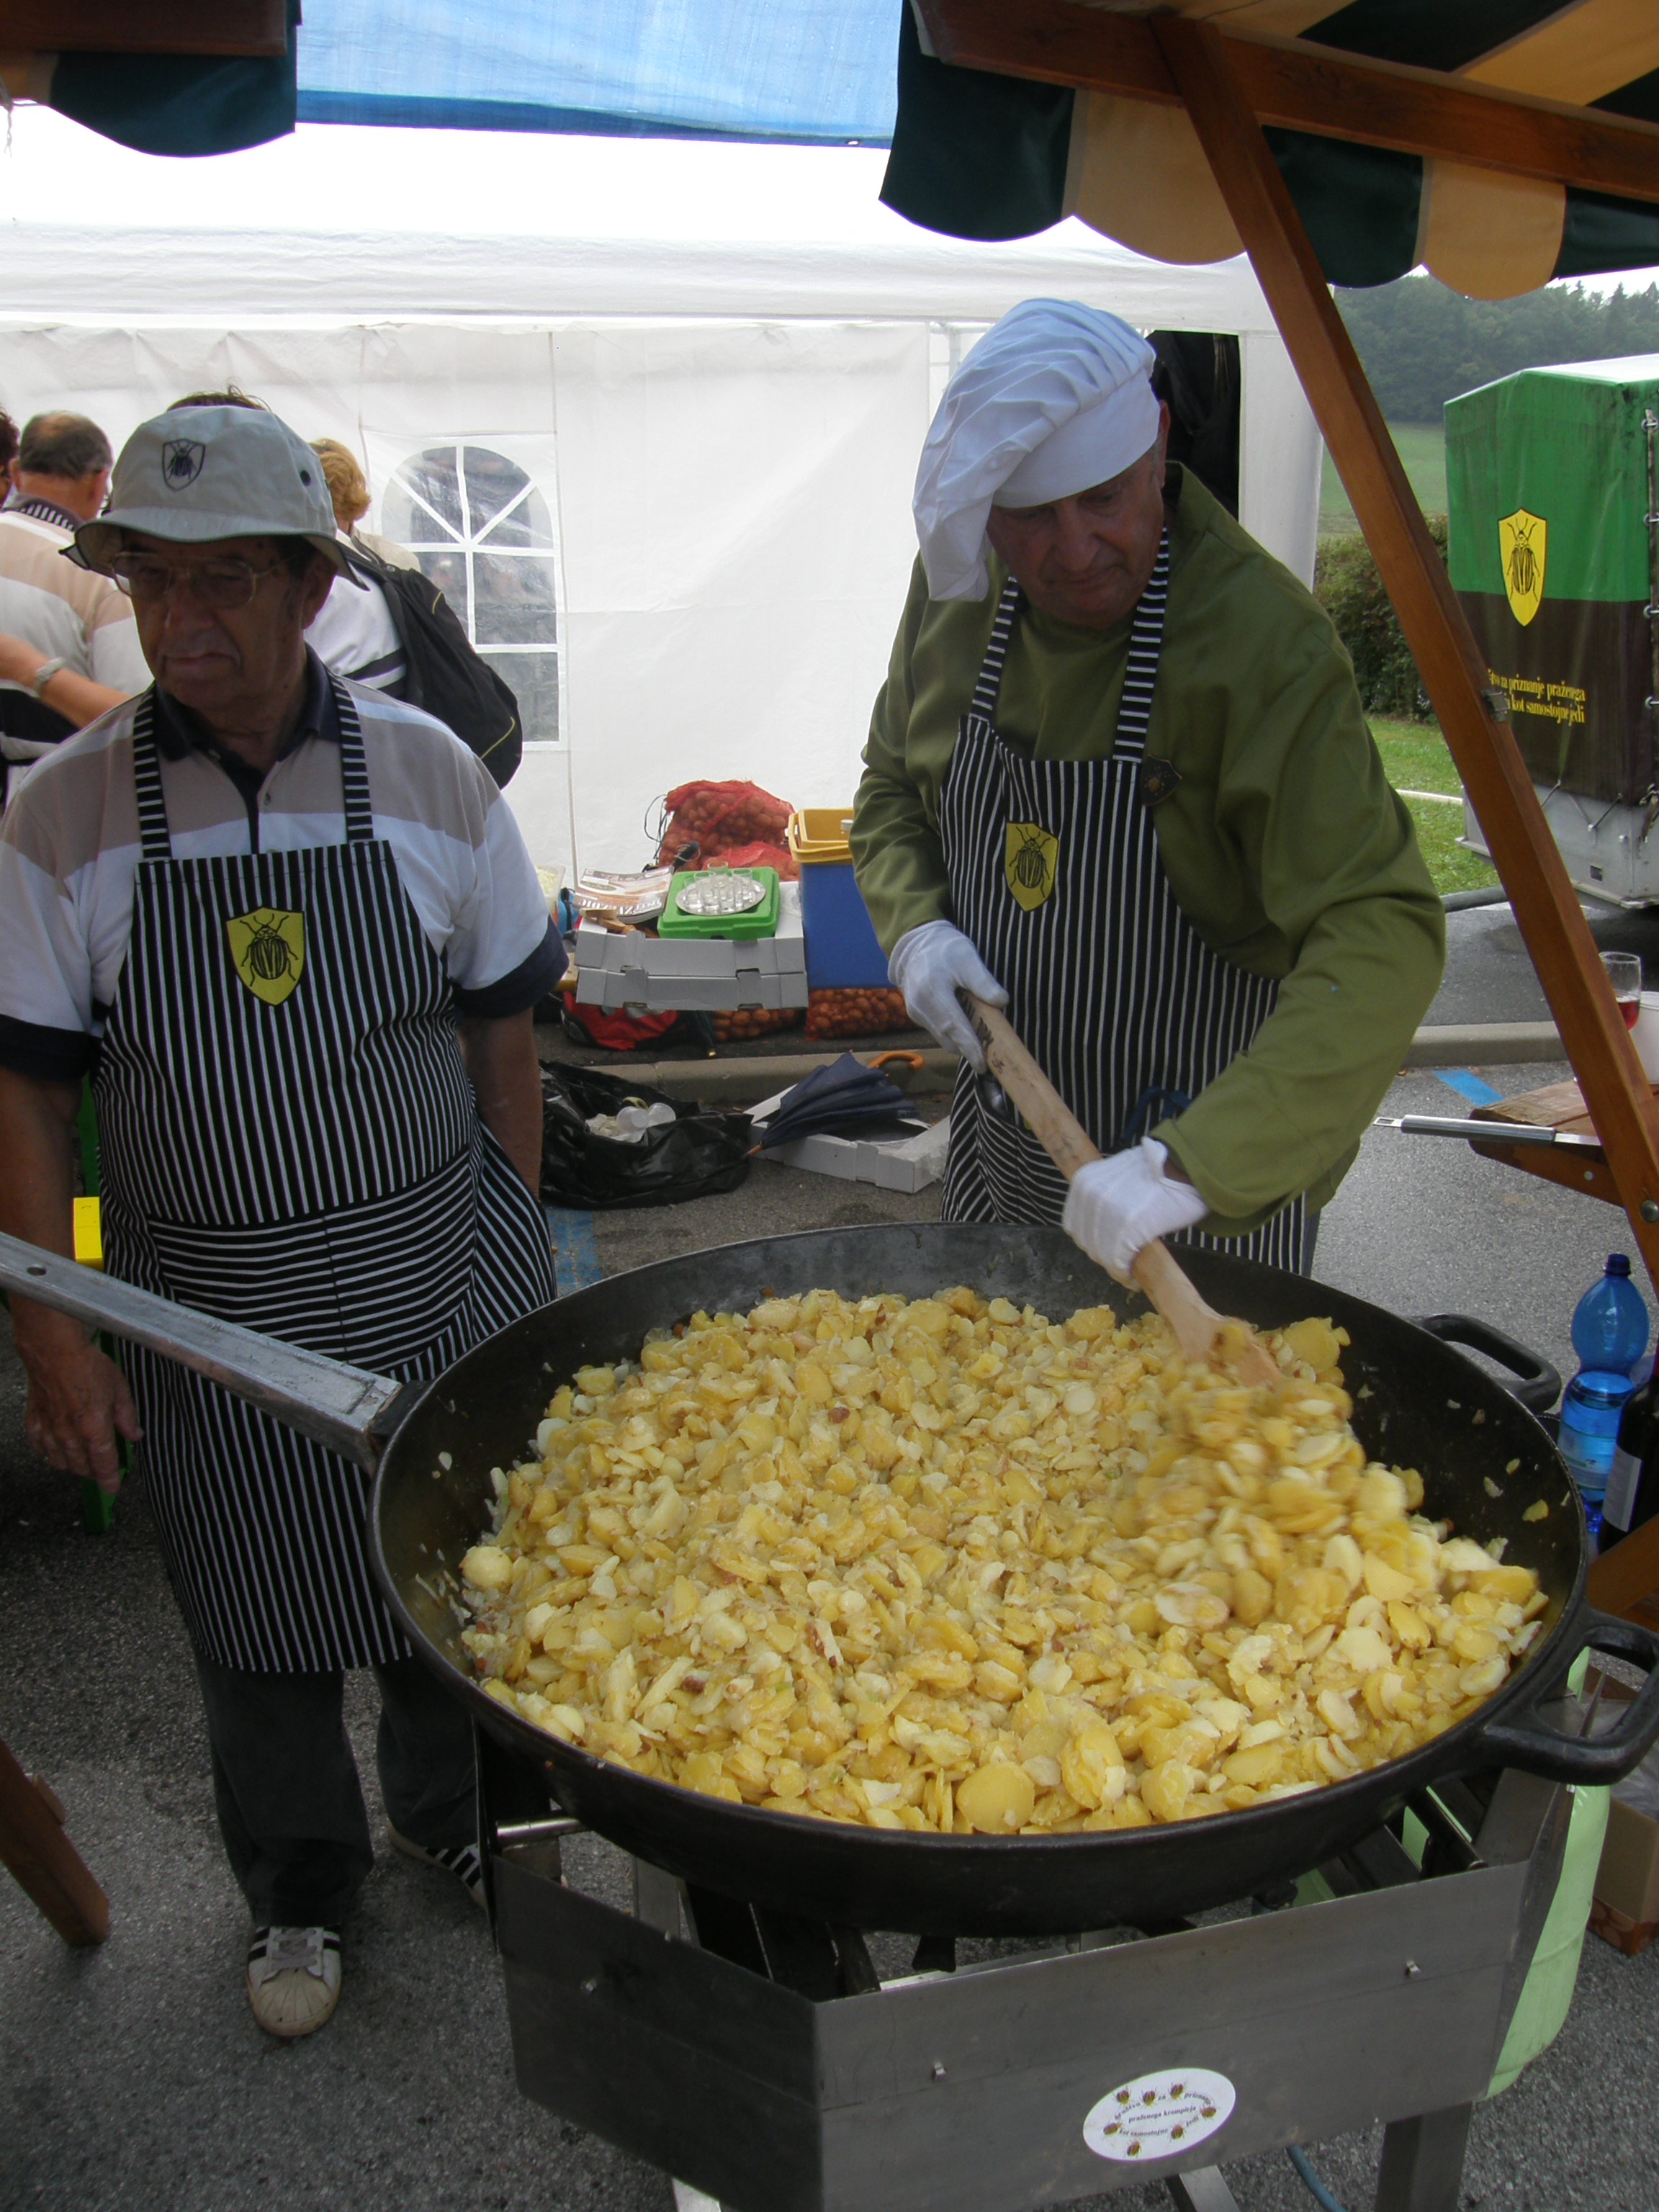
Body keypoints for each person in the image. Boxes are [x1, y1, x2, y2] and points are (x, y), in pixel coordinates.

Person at [0, 403, 564, 2039]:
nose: (183, 620)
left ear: (312, 585)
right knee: (253, 1618)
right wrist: (57, 1328)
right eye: (150, 580)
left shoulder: (433, 776)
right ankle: (301, 1884)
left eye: (225, 580)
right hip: (206, 1304)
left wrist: (513, 1243)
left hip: (427, 1269)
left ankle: (458, 1819)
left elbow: (503, 1036)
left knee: (455, 1590)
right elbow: (26, 1094)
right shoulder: (65, 813)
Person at [852, 300, 1444, 1281]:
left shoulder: (1263, 647)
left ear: (1158, 444)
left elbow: (1382, 929)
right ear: (985, 507)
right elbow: (888, 791)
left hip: (1196, 1201)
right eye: (1033, 517)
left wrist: (1200, 1162)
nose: (1075, 548)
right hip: (1002, 1159)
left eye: (1106, 500)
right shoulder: (959, 592)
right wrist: (914, 924)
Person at [0, 411, 149, 802]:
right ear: (101, 481)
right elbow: (135, 722)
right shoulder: (101, 580)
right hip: (62, 806)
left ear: (16, 473)